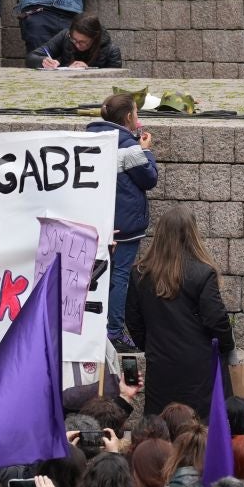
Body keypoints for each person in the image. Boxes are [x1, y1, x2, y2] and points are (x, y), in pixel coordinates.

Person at [127, 209, 235, 417]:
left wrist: (150, 344)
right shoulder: (203, 272)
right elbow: (216, 318)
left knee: (162, 425)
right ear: (192, 234)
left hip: (160, 361)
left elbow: (133, 320)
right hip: (199, 363)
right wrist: (226, 346)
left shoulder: (140, 273)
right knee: (199, 425)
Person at [86, 93, 160, 351]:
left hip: (96, 220)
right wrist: (146, 151)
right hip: (124, 225)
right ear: (129, 117)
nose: (137, 118)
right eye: (136, 113)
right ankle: (113, 332)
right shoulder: (127, 145)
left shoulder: (90, 136)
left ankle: (93, 329)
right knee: (119, 276)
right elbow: (149, 178)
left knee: (96, 275)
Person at [38, 13, 124, 70]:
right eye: (74, 40)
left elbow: (114, 81)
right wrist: (44, 60)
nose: (77, 45)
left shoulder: (112, 52)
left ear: (94, 39)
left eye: (83, 42)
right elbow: (33, 56)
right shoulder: (65, 37)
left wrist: (89, 72)